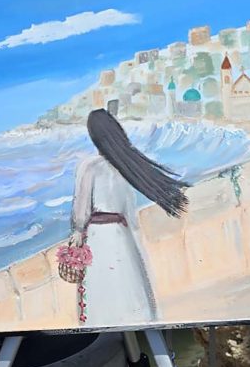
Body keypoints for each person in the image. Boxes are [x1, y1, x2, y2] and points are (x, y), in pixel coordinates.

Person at [68, 108, 188, 325]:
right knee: (129, 289)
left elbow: (81, 209)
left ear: (94, 137)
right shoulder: (125, 167)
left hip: (98, 237)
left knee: (101, 294)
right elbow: (129, 212)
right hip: (122, 235)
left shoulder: (89, 166)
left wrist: (77, 230)